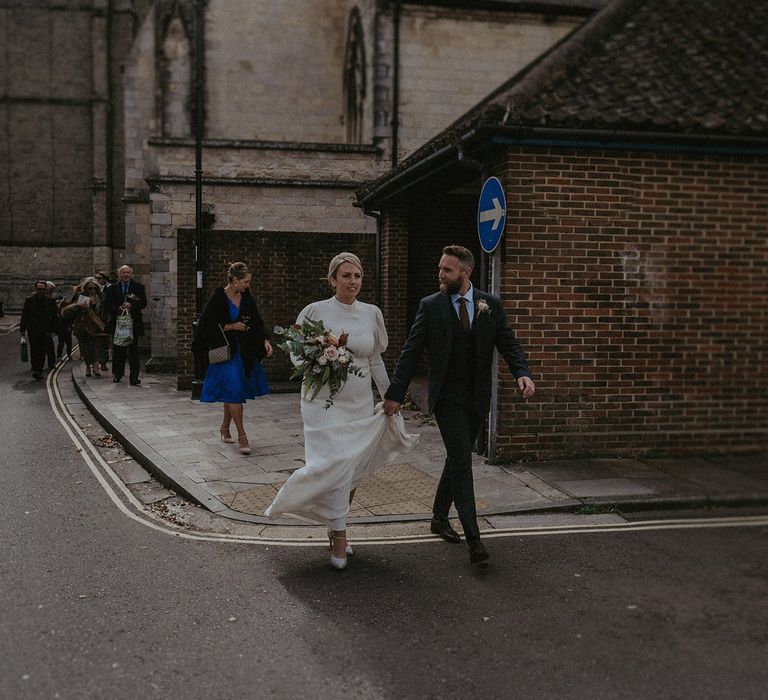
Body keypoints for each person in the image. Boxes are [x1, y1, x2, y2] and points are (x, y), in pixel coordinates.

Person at [383, 244, 535, 565]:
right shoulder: (430, 306)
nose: (440, 274)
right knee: (462, 462)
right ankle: (474, 540)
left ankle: (439, 517)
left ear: (465, 273)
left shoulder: (489, 306)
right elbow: (410, 352)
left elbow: (508, 342)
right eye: (440, 268)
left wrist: (522, 373)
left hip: (477, 397)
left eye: (447, 270)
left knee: (457, 456)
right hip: (447, 398)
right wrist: (395, 394)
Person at [265, 252, 418, 570]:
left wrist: (392, 394)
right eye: (346, 276)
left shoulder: (371, 313)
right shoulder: (314, 311)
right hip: (321, 405)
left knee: (350, 470)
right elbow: (295, 350)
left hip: (358, 405)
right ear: (333, 279)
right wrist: (315, 361)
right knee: (332, 465)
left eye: (357, 276)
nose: (353, 282)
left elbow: (374, 359)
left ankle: (335, 526)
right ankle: (339, 536)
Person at [191, 262, 273, 456]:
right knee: (235, 390)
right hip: (225, 352)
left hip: (243, 352)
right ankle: (242, 436)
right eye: (245, 281)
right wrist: (231, 326)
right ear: (235, 280)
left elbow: (256, 320)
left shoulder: (245, 296)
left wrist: (265, 340)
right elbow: (205, 324)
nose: (247, 285)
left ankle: (224, 428)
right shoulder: (218, 297)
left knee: (232, 390)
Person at [104, 265, 147, 385]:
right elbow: (107, 305)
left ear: (131, 274)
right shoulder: (112, 288)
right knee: (118, 350)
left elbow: (143, 303)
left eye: (128, 272)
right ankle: (118, 374)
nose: (125, 274)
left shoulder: (138, 287)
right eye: (123, 272)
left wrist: (131, 305)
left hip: (133, 323)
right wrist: (118, 309)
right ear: (119, 274)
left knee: (133, 351)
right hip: (117, 323)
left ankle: (134, 377)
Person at [61, 277, 109, 377]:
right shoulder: (80, 296)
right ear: (86, 288)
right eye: (90, 288)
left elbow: (106, 312)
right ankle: (88, 366)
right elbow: (67, 312)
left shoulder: (102, 297)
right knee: (86, 349)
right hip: (84, 327)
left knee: (97, 347)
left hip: (98, 327)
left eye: (94, 288)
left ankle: (96, 366)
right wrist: (77, 306)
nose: (92, 290)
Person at [19, 280, 59, 380]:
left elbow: (55, 318)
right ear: (35, 289)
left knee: (41, 351)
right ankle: (36, 368)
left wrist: (54, 330)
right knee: (34, 350)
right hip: (33, 330)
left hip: (45, 331)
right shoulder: (29, 300)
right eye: (39, 289)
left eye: (43, 289)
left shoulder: (50, 302)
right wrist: (22, 330)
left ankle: (38, 370)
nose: (41, 291)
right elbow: (24, 316)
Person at [94, 270, 112, 371]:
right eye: (96, 278)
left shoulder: (109, 289)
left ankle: (103, 362)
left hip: (104, 318)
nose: (97, 280)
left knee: (104, 341)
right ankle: (95, 363)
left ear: (105, 279)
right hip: (94, 319)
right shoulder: (92, 289)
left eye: (99, 278)